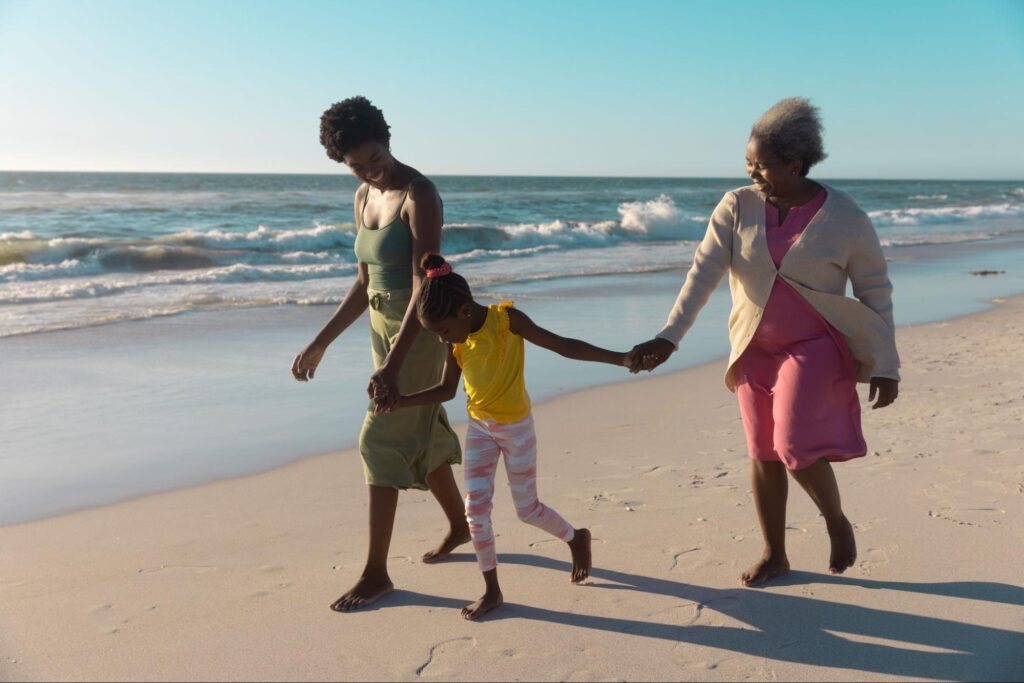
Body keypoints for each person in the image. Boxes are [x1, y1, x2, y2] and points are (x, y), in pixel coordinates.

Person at [629, 97, 900, 586]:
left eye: (762, 165)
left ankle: (835, 519)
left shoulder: (846, 218)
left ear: (795, 165)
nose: (751, 171)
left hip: (816, 345)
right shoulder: (736, 206)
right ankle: (776, 553)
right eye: (748, 162)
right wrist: (669, 336)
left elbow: (875, 290)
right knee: (763, 452)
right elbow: (702, 275)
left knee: (793, 442)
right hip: (753, 347)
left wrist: (887, 362)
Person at [378, 253, 629, 620]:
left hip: (516, 430)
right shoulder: (456, 342)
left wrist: (621, 359)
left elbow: (563, 345)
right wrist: (401, 402)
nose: (441, 339)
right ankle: (492, 590)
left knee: (528, 510)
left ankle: (577, 538)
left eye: (442, 331)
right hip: (480, 429)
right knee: (475, 512)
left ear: (463, 311)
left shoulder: (507, 321)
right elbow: (448, 390)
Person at [291, 96, 468, 611]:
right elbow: (364, 281)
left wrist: (393, 364)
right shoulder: (363, 197)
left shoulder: (421, 195)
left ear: (386, 138)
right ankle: (460, 525)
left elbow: (424, 282)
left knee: (378, 439)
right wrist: (320, 340)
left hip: (416, 336)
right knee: (420, 432)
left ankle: (376, 573)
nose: (371, 170)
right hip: (380, 331)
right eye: (357, 166)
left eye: (375, 157)